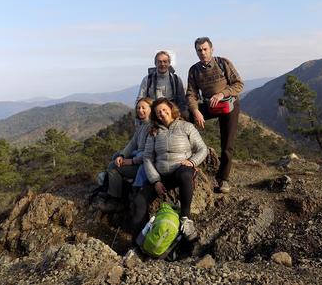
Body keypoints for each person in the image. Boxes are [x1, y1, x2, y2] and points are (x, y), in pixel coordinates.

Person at [130, 98, 208, 241]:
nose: (162, 114)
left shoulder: (186, 126)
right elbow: (147, 158)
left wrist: (192, 161)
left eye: (165, 110)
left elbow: (202, 149)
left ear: (171, 109)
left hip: (181, 170)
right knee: (139, 200)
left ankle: (185, 218)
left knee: (185, 175)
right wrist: (155, 181)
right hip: (161, 176)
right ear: (155, 115)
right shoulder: (153, 132)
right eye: (158, 112)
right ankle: (139, 241)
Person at [186, 37, 244, 194]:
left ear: (211, 49)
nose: (202, 52)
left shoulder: (222, 63)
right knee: (184, 117)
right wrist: (196, 110)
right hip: (209, 106)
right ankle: (187, 161)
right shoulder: (194, 70)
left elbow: (239, 84)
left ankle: (223, 179)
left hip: (228, 105)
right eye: (199, 50)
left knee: (227, 145)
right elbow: (191, 94)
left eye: (205, 49)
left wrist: (222, 94)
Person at [98, 97, 154, 212]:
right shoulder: (142, 125)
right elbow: (133, 143)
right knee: (116, 156)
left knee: (114, 168)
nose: (140, 110)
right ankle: (109, 187)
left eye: (144, 107)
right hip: (138, 157)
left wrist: (132, 161)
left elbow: (150, 153)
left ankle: (115, 201)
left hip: (144, 165)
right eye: (138, 108)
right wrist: (122, 155)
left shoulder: (152, 127)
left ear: (151, 109)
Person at [136, 51, 189, 120]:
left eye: (165, 61)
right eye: (159, 62)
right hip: (152, 116)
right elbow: (140, 99)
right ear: (155, 63)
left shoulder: (176, 80)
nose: (162, 64)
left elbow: (181, 101)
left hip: (171, 116)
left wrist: (182, 117)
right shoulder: (147, 80)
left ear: (169, 63)